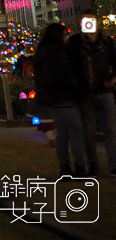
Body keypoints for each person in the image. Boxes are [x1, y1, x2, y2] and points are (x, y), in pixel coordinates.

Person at [66, 9, 116, 176]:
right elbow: (68, 66)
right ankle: (93, 165)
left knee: (111, 131)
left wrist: (112, 79)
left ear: (97, 22)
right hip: (85, 93)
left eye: (91, 20)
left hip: (105, 91)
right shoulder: (75, 43)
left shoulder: (106, 42)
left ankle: (114, 165)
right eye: (85, 21)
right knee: (89, 133)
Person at [34, 22, 86, 176]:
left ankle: (64, 167)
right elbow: (65, 76)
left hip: (52, 100)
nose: (66, 38)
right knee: (76, 133)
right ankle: (80, 167)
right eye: (64, 35)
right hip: (66, 97)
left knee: (62, 134)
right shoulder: (59, 53)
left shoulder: (41, 52)